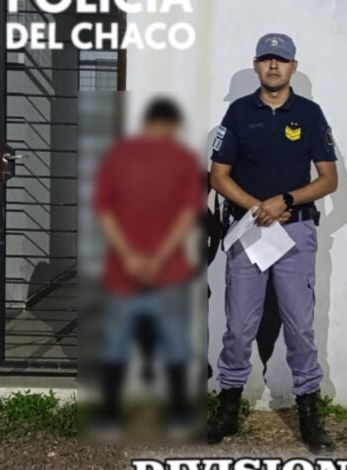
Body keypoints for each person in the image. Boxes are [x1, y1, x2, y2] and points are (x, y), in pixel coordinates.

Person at [208, 33, 339, 454]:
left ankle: (308, 412)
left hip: (295, 232)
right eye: (266, 58)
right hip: (249, 231)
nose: (273, 66)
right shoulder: (238, 112)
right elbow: (218, 175)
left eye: (280, 59)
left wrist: (285, 200)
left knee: (300, 325)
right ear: (256, 65)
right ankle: (228, 406)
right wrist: (258, 208)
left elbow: (328, 180)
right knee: (239, 326)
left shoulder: (310, 114)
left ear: (293, 67)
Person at [92, 97, 203, 438]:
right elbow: (189, 214)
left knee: (114, 345)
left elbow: (103, 210)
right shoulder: (183, 159)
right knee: (176, 345)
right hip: (169, 271)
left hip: (121, 270)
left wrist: (128, 256)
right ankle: (179, 416)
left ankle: (109, 417)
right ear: (172, 125)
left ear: (146, 122)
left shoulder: (117, 156)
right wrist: (158, 259)